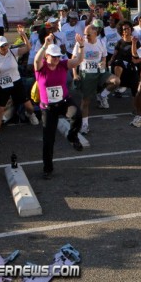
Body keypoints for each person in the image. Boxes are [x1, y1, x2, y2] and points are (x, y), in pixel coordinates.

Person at [34, 32, 85, 179]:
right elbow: (37, 59)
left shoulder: (62, 65)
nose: (56, 59)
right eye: (53, 56)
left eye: (58, 56)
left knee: (77, 114)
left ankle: (72, 136)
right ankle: (47, 168)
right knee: (48, 140)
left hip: (63, 102)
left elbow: (78, 60)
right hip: (48, 108)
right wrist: (45, 45)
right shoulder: (41, 68)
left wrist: (81, 46)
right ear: (47, 56)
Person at [0, 28, 38, 144]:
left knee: (29, 106)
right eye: (2, 46)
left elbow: (28, 48)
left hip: (16, 82)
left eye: (5, 45)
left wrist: (24, 35)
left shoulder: (13, 52)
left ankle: (30, 114)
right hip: (3, 84)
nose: (4, 47)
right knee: (0, 110)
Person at [73, 25, 120, 134]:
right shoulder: (80, 43)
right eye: (84, 34)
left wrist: (103, 62)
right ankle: (84, 125)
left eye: (88, 34)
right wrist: (75, 74)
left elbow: (104, 56)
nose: (86, 36)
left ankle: (102, 95)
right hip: (87, 74)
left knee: (116, 81)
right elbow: (73, 60)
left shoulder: (101, 43)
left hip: (100, 72)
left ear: (95, 33)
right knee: (85, 102)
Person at [110, 21, 141, 98]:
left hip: (132, 63)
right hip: (120, 63)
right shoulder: (119, 42)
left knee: (135, 87)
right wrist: (110, 61)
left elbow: (139, 54)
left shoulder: (136, 41)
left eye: (128, 28)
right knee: (118, 63)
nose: (126, 30)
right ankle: (117, 84)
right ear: (122, 31)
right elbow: (115, 54)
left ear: (131, 29)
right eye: (124, 29)